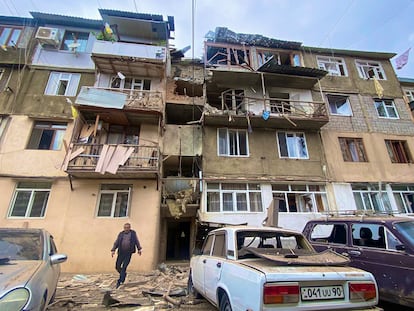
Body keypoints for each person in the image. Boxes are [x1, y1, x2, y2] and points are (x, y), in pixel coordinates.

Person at [111, 223, 142, 288]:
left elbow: (136, 241)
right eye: (125, 228)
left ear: (130, 228)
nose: (126, 229)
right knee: (117, 266)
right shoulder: (121, 234)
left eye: (128, 227)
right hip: (121, 252)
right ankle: (123, 275)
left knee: (124, 267)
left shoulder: (133, 233)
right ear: (124, 228)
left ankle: (120, 281)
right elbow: (116, 242)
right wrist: (113, 250)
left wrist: (139, 249)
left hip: (128, 253)